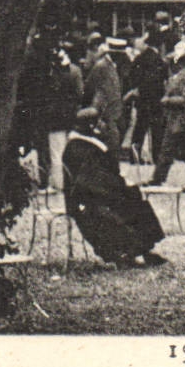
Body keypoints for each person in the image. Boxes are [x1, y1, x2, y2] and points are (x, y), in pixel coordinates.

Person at [61, 108, 167, 268]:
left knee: (134, 199)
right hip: (86, 199)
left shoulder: (90, 143)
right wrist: (118, 187)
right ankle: (123, 254)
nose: (104, 125)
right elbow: (90, 180)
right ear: (92, 126)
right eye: (101, 122)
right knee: (112, 210)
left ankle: (145, 249)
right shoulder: (78, 148)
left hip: (101, 191)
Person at [148, 48, 185, 192]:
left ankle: (159, 179)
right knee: (183, 151)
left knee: (178, 150)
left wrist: (167, 100)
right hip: (177, 119)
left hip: (184, 119)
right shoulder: (181, 75)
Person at [45, 39, 85, 192]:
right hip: (71, 115)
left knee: (56, 152)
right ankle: (71, 181)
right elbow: (80, 93)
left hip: (54, 116)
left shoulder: (52, 72)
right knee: (70, 149)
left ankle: (59, 183)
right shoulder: (75, 71)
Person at [127, 29, 168, 163]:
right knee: (157, 130)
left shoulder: (140, 58)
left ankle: (134, 156)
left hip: (143, 98)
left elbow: (132, 76)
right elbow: (163, 77)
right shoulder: (158, 59)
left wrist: (137, 89)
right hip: (156, 98)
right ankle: (157, 157)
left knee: (140, 128)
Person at [83, 34, 126, 153]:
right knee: (111, 142)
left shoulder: (116, 66)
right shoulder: (101, 66)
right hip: (105, 111)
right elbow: (89, 87)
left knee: (115, 141)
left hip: (116, 111)